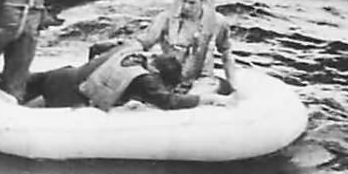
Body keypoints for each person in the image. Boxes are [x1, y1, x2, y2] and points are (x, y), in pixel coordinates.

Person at [23, 42, 231, 110]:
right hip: (70, 95)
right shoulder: (144, 79)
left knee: (15, 93)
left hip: (62, 74)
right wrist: (204, 99)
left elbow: (96, 48)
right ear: (157, 72)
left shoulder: (133, 49)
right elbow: (167, 101)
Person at [133, 0, 238, 94]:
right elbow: (145, 42)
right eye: (184, 1)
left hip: (201, 80)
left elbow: (226, 53)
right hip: (169, 77)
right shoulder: (166, 18)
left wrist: (234, 86)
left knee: (196, 95)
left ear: (202, 2)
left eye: (192, 3)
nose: (186, 6)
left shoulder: (218, 22)